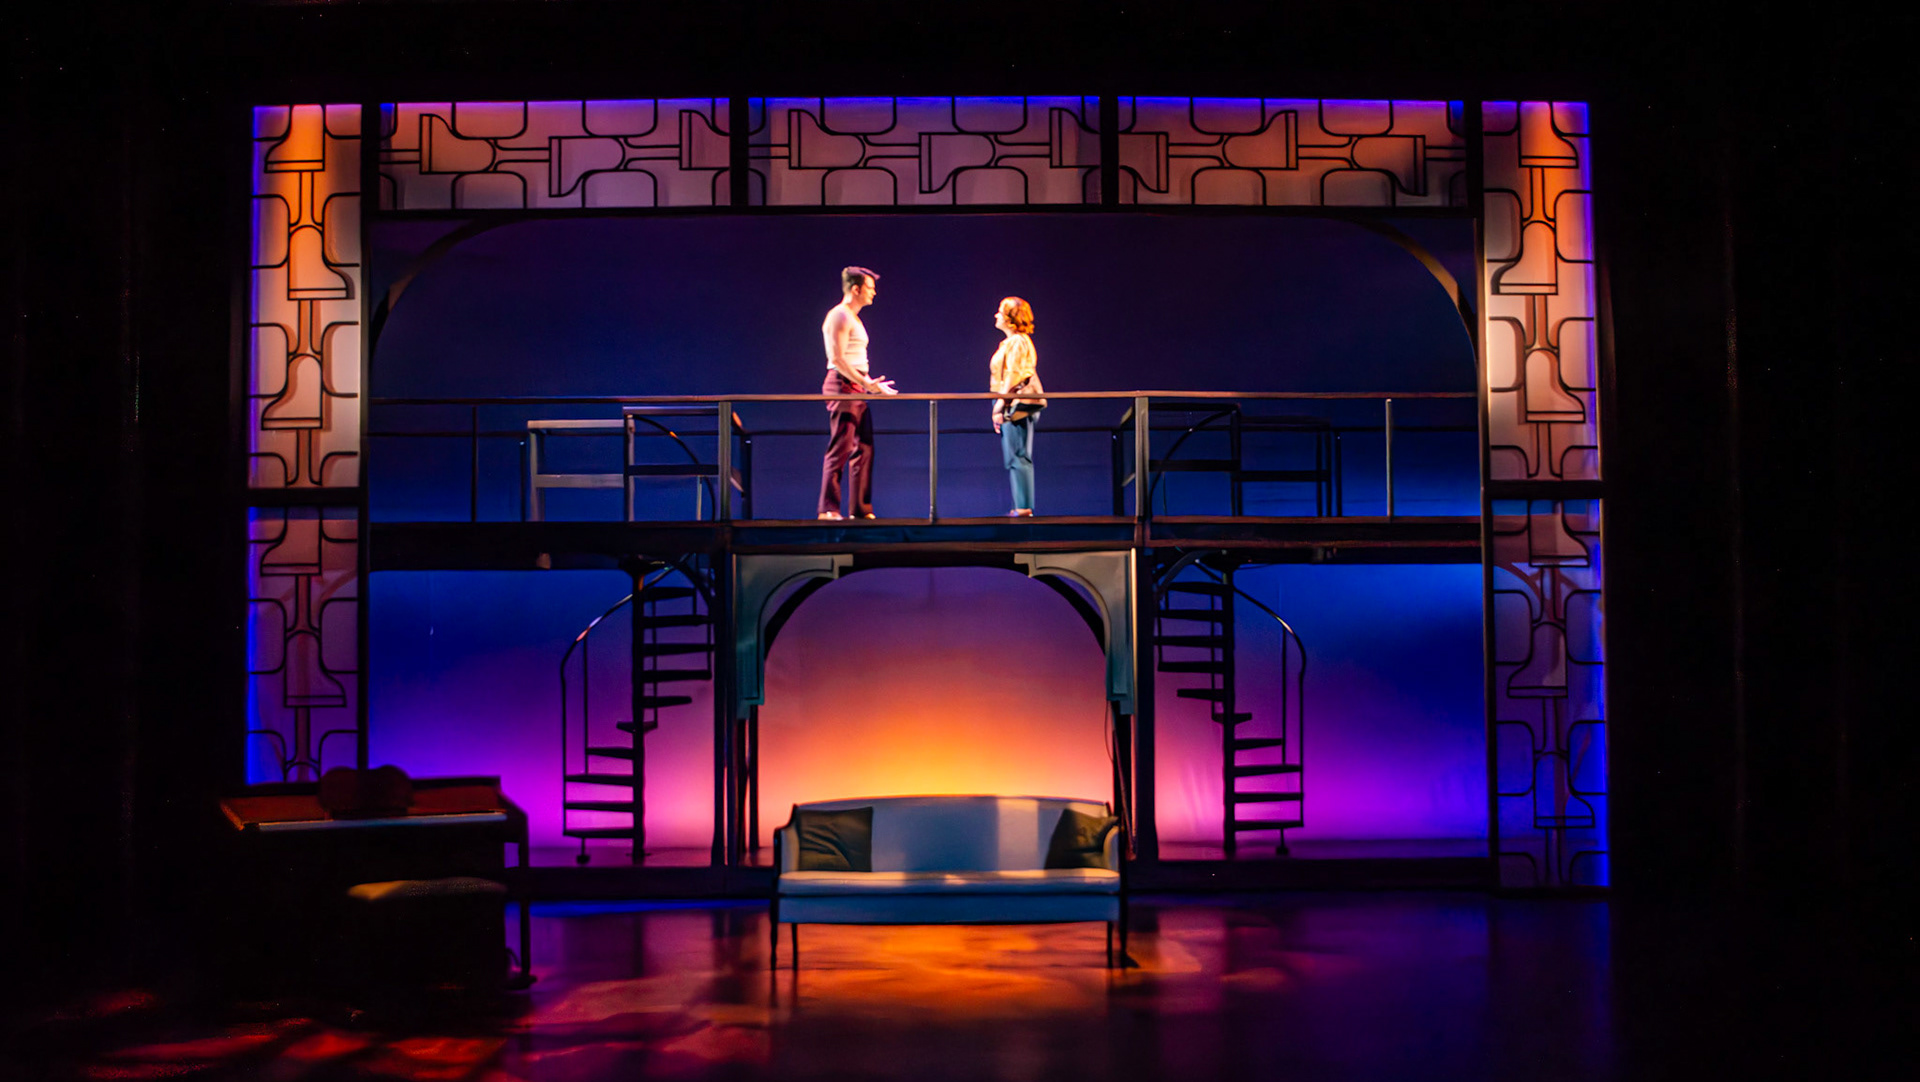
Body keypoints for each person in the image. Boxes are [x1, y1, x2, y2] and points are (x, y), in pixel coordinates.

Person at [817, 266, 897, 520]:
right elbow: (837, 359)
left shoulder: (854, 318)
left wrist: (869, 384)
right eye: (870, 288)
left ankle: (860, 510)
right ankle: (828, 509)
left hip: (856, 386)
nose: (874, 293)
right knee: (841, 446)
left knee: (864, 447)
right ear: (856, 289)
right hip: (843, 385)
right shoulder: (839, 315)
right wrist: (867, 384)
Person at [988, 296, 1044, 517]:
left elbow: (1014, 375)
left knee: (1018, 455)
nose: (996, 315)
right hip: (1009, 401)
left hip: (1014, 403)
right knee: (1014, 456)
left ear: (1011, 318)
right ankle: (1021, 507)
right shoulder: (1011, 342)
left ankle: (1023, 508)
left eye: (1001, 312)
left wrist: (1000, 404)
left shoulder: (1018, 342)